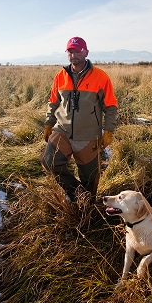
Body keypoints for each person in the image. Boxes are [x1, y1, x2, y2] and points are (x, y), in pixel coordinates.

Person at [40, 37, 118, 202]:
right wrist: (48, 123)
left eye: (78, 51)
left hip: (88, 135)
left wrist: (109, 130)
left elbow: (110, 106)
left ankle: (86, 204)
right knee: (49, 162)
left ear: (86, 52)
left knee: (90, 179)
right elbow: (53, 103)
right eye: (70, 51)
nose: (74, 55)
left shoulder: (100, 77)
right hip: (62, 130)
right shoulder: (60, 76)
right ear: (67, 53)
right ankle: (78, 195)